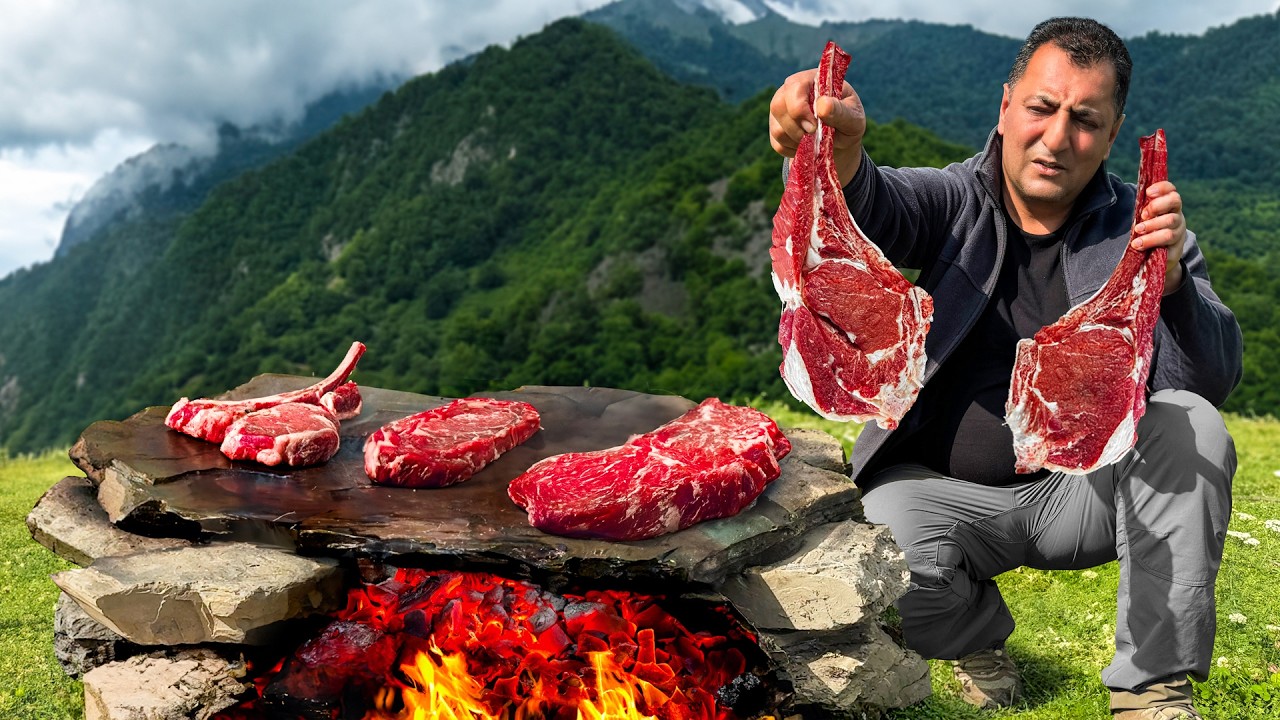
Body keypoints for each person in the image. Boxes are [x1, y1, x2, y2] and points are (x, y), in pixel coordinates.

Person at [768, 16, 1241, 720]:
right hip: (943, 496)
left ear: (1113, 136)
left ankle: (1150, 687)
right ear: (1006, 106)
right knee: (872, 549)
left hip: (1081, 494)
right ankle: (973, 634)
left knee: (1193, 425)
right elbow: (873, 206)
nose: (1056, 138)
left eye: (1084, 120)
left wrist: (1171, 288)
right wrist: (839, 153)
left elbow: (1210, 378)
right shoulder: (955, 201)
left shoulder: (1147, 237)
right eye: (1042, 108)